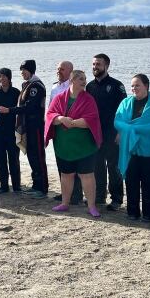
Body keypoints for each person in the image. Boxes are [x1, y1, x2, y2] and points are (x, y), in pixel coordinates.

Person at [45, 70, 102, 218]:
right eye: (80, 79)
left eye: (84, 79)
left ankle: (91, 206)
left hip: (85, 147)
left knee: (87, 176)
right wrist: (61, 119)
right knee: (66, 175)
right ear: (71, 81)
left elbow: (92, 119)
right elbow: (50, 115)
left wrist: (74, 123)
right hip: (64, 146)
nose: (84, 81)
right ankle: (65, 203)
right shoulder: (59, 98)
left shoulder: (89, 99)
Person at [114, 74, 150, 222]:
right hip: (129, 149)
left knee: (149, 183)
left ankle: (149, 214)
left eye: (137, 85)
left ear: (146, 86)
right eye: (132, 86)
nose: (134, 88)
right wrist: (132, 128)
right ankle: (132, 212)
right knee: (131, 182)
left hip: (149, 150)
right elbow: (117, 122)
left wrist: (129, 128)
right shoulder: (125, 102)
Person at [0, 60, 47, 199]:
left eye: (25, 70)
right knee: (31, 156)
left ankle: (43, 188)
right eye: (21, 70)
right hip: (27, 126)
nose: (22, 73)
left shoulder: (36, 86)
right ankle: (35, 185)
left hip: (36, 126)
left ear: (32, 70)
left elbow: (30, 107)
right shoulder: (27, 85)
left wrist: (9, 110)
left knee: (38, 156)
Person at [86, 53, 127, 211]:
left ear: (106, 66)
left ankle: (116, 199)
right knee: (97, 166)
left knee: (114, 166)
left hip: (112, 133)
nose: (95, 67)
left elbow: (124, 111)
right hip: (95, 133)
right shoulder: (89, 86)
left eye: (99, 64)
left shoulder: (117, 86)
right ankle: (99, 196)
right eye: (94, 64)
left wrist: (120, 131)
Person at [49, 61, 82, 204]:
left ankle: (77, 195)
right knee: (61, 162)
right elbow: (51, 110)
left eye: (62, 69)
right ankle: (65, 193)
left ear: (70, 71)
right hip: (58, 129)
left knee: (75, 162)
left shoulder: (77, 87)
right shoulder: (54, 87)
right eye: (58, 69)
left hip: (74, 130)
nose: (59, 71)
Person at [0, 68, 22, 193]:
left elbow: (21, 110)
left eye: (4, 76)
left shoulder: (16, 92)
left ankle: (17, 186)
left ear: (9, 77)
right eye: (0, 76)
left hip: (12, 132)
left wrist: (8, 110)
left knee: (14, 159)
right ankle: (4, 186)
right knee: (0, 159)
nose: (2, 79)